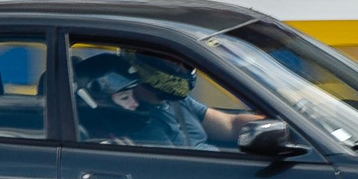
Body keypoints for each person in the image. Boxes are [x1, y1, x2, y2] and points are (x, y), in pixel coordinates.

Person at [73, 48, 259, 150]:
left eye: (183, 61)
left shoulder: (175, 101)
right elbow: (184, 172)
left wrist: (283, 126)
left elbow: (231, 124)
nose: (182, 67)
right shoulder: (140, 125)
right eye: (172, 60)